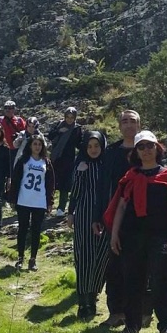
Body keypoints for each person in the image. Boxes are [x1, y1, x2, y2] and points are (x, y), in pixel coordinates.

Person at [105, 130, 167, 333]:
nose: (146, 150)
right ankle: (132, 328)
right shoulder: (130, 177)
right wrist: (114, 234)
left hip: (161, 236)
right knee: (133, 282)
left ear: (157, 148)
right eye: (141, 147)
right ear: (136, 152)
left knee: (162, 281)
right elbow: (121, 207)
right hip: (132, 237)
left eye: (150, 146)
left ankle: (166, 326)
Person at [94, 108, 143, 329]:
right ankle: (116, 312)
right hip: (115, 217)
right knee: (114, 266)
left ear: (139, 124)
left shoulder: (148, 148)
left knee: (142, 266)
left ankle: (143, 312)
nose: (129, 125)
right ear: (119, 126)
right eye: (125, 121)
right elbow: (102, 185)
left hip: (144, 216)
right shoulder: (111, 153)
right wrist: (98, 215)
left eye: (132, 121)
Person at [68, 129, 112, 321]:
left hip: (105, 214)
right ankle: (83, 301)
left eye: (97, 146)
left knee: (101, 256)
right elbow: (75, 192)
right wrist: (70, 213)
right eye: (90, 146)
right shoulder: (81, 165)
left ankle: (93, 297)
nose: (93, 149)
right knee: (83, 256)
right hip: (84, 213)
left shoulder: (107, 164)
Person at [9, 134, 55, 271]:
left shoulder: (46, 162)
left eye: (40, 144)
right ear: (30, 145)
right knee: (22, 229)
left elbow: (50, 183)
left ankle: (33, 259)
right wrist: (13, 198)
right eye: (35, 144)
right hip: (23, 199)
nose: (37, 147)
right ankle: (20, 258)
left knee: (36, 230)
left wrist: (50, 201)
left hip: (39, 201)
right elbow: (16, 180)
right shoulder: (23, 160)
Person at [46, 106, 83, 217]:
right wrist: (59, 131)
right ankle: (47, 205)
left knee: (65, 185)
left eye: (72, 117)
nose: (69, 119)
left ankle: (61, 208)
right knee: (51, 182)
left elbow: (79, 143)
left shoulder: (76, 129)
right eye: (68, 117)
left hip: (68, 160)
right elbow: (50, 136)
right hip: (56, 159)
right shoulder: (59, 124)